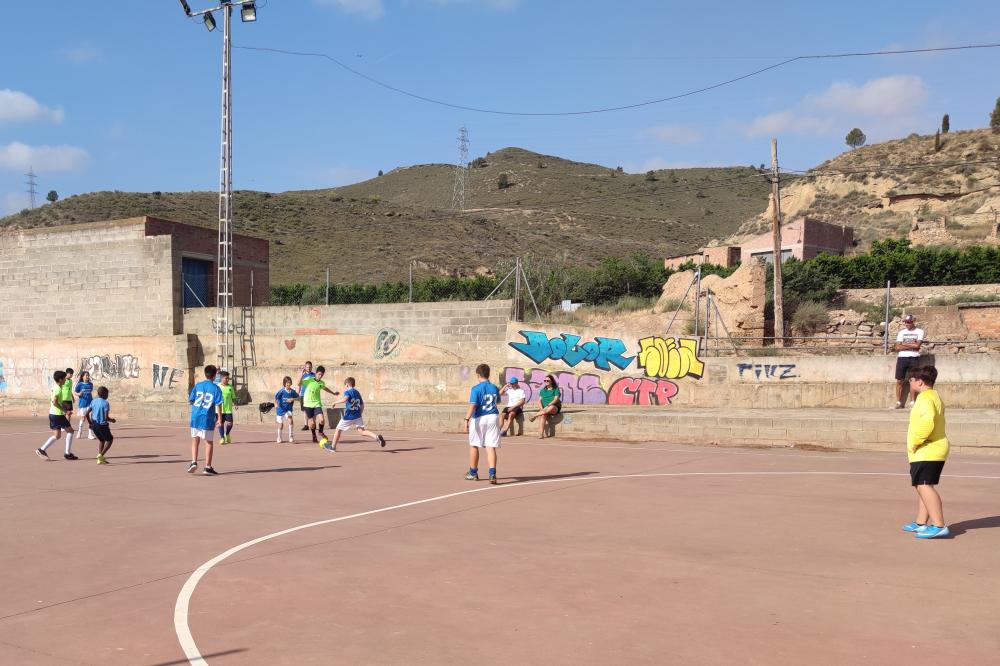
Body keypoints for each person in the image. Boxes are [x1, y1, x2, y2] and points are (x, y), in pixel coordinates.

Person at [901, 366, 950, 539]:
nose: (910, 382)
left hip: (927, 449)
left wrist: (916, 441)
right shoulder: (933, 396)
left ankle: (939, 525)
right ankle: (921, 523)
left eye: (911, 380)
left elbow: (928, 422)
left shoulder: (925, 398)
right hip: (931, 449)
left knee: (923, 485)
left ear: (919, 381)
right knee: (923, 485)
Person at [322, 377, 386, 452]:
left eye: (344, 386)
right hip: (357, 415)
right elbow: (362, 405)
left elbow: (345, 399)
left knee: (338, 429)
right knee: (362, 431)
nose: (344, 388)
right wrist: (360, 414)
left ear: (347, 385)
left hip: (349, 416)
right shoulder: (357, 392)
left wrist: (335, 402)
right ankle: (377, 437)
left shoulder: (348, 392)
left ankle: (333, 447)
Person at [464, 363, 501, 484]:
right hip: (493, 417)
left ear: (478, 375)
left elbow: (473, 405)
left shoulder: (476, 388)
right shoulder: (495, 388)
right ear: (488, 374)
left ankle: (473, 472)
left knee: (474, 444)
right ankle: (492, 474)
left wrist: (466, 419)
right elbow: (497, 402)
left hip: (479, 418)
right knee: (491, 447)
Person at [189, 364, 224, 475]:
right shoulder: (216, 388)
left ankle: (194, 462)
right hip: (207, 418)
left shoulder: (198, 385)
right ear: (215, 375)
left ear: (205, 374)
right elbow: (218, 404)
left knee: (195, 440)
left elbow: (191, 400)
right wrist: (219, 418)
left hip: (195, 416)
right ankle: (207, 467)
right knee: (208, 442)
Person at [35, 370, 77, 460]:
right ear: (61, 379)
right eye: (64, 378)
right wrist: (65, 411)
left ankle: (42, 449)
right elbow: (54, 402)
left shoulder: (55, 386)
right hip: (57, 415)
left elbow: (57, 401)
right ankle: (67, 453)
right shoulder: (58, 389)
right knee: (70, 431)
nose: (66, 380)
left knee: (57, 436)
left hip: (53, 414)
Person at [301, 365, 339, 444]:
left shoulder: (321, 383)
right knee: (312, 423)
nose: (320, 376)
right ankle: (314, 434)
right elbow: (298, 384)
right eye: (319, 374)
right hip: (308, 404)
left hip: (317, 403)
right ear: (316, 373)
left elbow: (324, 388)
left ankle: (320, 432)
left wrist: (333, 393)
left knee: (322, 420)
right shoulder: (309, 380)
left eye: (322, 375)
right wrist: (301, 375)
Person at [893, 314, 924, 409]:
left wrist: (904, 344)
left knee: (913, 380)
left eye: (909, 322)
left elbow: (917, 346)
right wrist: (911, 345)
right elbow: (897, 347)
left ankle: (912, 402)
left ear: (913, 322)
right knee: (899, 380)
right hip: (902, 358)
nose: (907, 324)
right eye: (905, 322)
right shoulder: (901, 332)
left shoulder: (920, 331)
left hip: (914, 357)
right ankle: (898, 402)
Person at [88, 386, 116, 465]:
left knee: (101, 440)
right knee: (110, 440)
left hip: (94, 424)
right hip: (102, 425)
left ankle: (100, 460)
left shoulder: (93, 401)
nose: (107, 395)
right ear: (103, 394)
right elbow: (106, 418)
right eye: (107, 394)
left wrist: (90, 423)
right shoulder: (106, 403)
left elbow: (87, 414)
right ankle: (100, 455)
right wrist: (112, 420)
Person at [529, 374, 562, 439]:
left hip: (554, 407)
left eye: (548, 380)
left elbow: (555, 400)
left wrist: (548, 405)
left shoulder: (556, 389)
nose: (546, 381)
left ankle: (535, 415)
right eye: (545, 380)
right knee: (543, 415)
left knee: (551, 407)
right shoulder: (542, 391)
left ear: (551, 381)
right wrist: (542, 409)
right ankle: (541, 434)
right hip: (544, 409)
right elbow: (539, 401)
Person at [274, 376, 298, 443]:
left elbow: (298, 398)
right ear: (284, 383)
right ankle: (279, 437)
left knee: (290, 421)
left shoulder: (292, 392)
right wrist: (275, 404)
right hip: (280, 410)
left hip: (288, 410)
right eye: (287, 383)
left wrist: (292, 399)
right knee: (281, 425)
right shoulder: (281, 391)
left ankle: (291, 436)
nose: (288, 384)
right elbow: (275, 398)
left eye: (289, 383)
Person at [74, 371, 95, 440]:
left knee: (91, 419)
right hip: (82, 404)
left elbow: (90, 392)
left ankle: (90, 434)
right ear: (82, 377)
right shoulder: (79, 384)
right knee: (83, 418)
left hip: (90, 403)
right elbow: (75, 392)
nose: (87, 377)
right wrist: (79, 394)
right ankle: (79, 432)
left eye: (88, 375)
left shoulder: (90, 384)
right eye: (86, 375)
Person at [217, 370, 236, 445]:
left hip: (228, 409)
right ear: (221, 378)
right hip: (219, 409)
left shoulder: (230, 387)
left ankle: (227, 434)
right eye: (226, 378)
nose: (228, 380)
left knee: (230, 423)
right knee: (220, 423)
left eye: (228, 378)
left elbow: (233, 397)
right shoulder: (218, 387)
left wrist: (235, 403)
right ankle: (222, 438)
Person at [297, 361, 316, 431]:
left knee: (312, 409)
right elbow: (299, 384)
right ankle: (306, 425)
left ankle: (313, 424)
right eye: (307, 367)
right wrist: (297, 394)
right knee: (305, 410)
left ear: (312, 367)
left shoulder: (314, 375)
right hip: (303, 395)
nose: (309, 368)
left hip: (311, 395)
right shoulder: (303, 375)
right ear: (305, 367)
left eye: (310, 367)